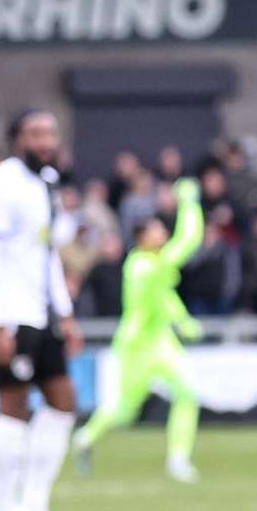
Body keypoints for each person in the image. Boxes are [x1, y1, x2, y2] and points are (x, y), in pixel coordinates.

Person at [0, 110, 84, 511]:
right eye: (36, 134)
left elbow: (47, 252)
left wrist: (66, 312)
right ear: (17, 139)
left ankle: (34, 508)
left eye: (50, 133)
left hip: (40, 311)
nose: (45, 141)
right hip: (8, 313)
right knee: (13, 405)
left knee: (63, 400)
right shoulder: (3, 183)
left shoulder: (48, 181)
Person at [74, 179, 205, 483]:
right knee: (124, 412)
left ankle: (178, 459)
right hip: (136, 344)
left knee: (187, 393)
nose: (162, 233)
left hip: (160, 339)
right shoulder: (142, 267)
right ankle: (85, 437)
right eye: (157, 230)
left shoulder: (153, 265)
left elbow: (164, 299)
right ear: (142, 237)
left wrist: (182, 321)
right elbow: (189, 240)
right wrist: (189, 203)